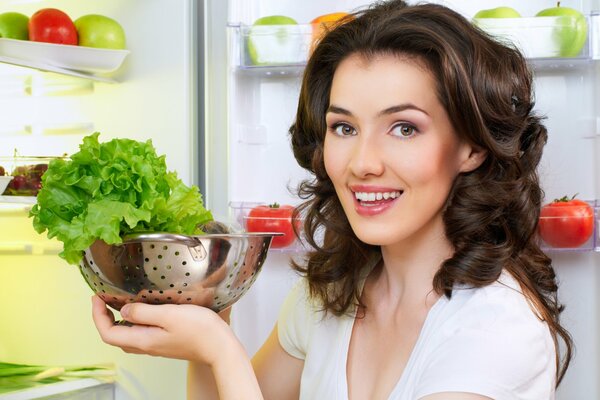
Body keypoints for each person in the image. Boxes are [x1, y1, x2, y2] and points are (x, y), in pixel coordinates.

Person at [91, 1, 573, 399]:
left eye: (404, 128)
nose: (363, 162)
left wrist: (221, 350)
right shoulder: (327, 295)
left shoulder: (496, 330)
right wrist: (208, 321)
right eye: (344, 127)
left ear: (471, 146)